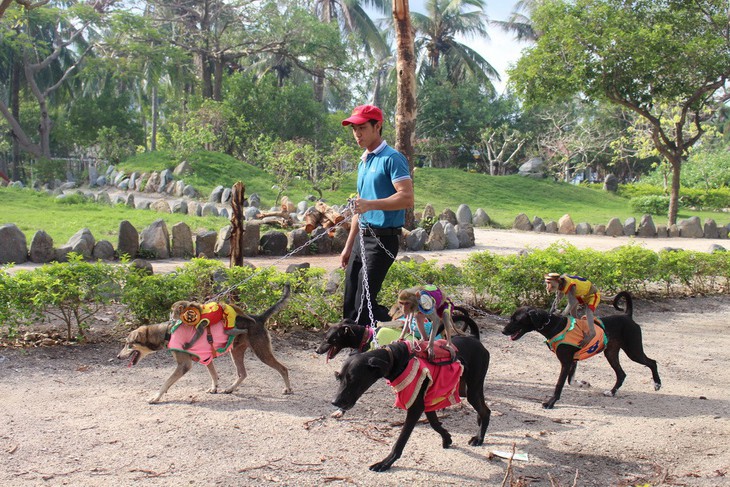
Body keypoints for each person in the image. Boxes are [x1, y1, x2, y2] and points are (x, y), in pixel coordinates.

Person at [340, 104, 414, 326]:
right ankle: (355, 341)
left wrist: (370, 205)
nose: (357, 134)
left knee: (364, 301)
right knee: (350, 300)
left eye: (362, 127)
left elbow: (407, 198)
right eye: (354, 129)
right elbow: (359, 209)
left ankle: (364, 349)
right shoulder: (364, 161)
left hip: (383, 239)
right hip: (361, 238)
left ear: (378, 126)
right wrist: (348, 245)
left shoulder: (392, 158)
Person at [544, 272, 601, 347]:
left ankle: (592, 334)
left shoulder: (569, 285)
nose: (548, 287)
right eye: (547, 283)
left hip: (592, 295)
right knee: (572, 312)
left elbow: (572, 302)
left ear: (557, 281)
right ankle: (581, 330)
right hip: (581, 295)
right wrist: (550, 313)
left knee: (588, 311)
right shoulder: (560, 284)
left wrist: (562, 315)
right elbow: (557, 299)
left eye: (550, 283)